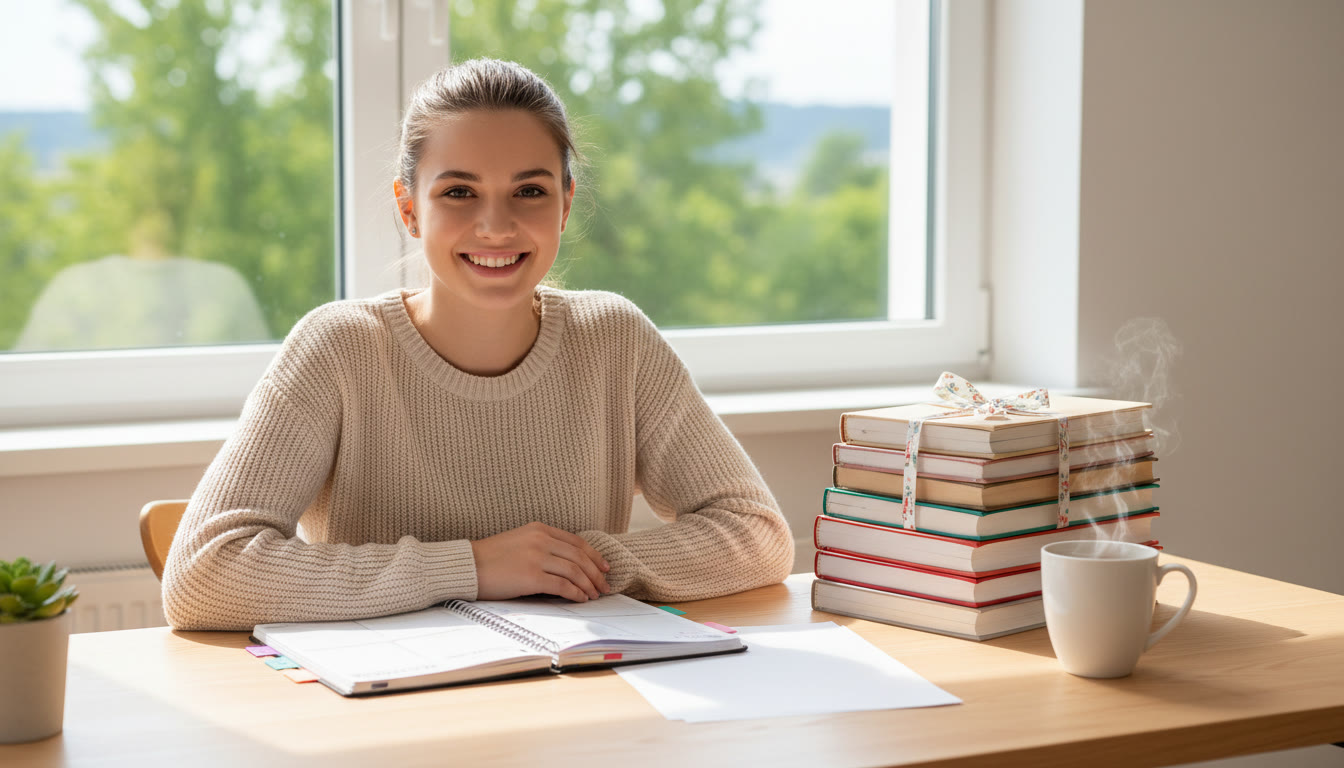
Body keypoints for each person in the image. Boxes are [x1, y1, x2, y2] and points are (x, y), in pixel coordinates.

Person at [162, 58, 794, 631]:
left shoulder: (614, 340)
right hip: (391, 711)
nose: (496, 225)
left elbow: (758, 535)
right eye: (459, 192)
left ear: (566, 204)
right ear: (409, 209)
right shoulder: (338, 350)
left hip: (575, 698)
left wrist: (569, 565)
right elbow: (201, 575)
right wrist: (473, 568)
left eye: (530, 191)